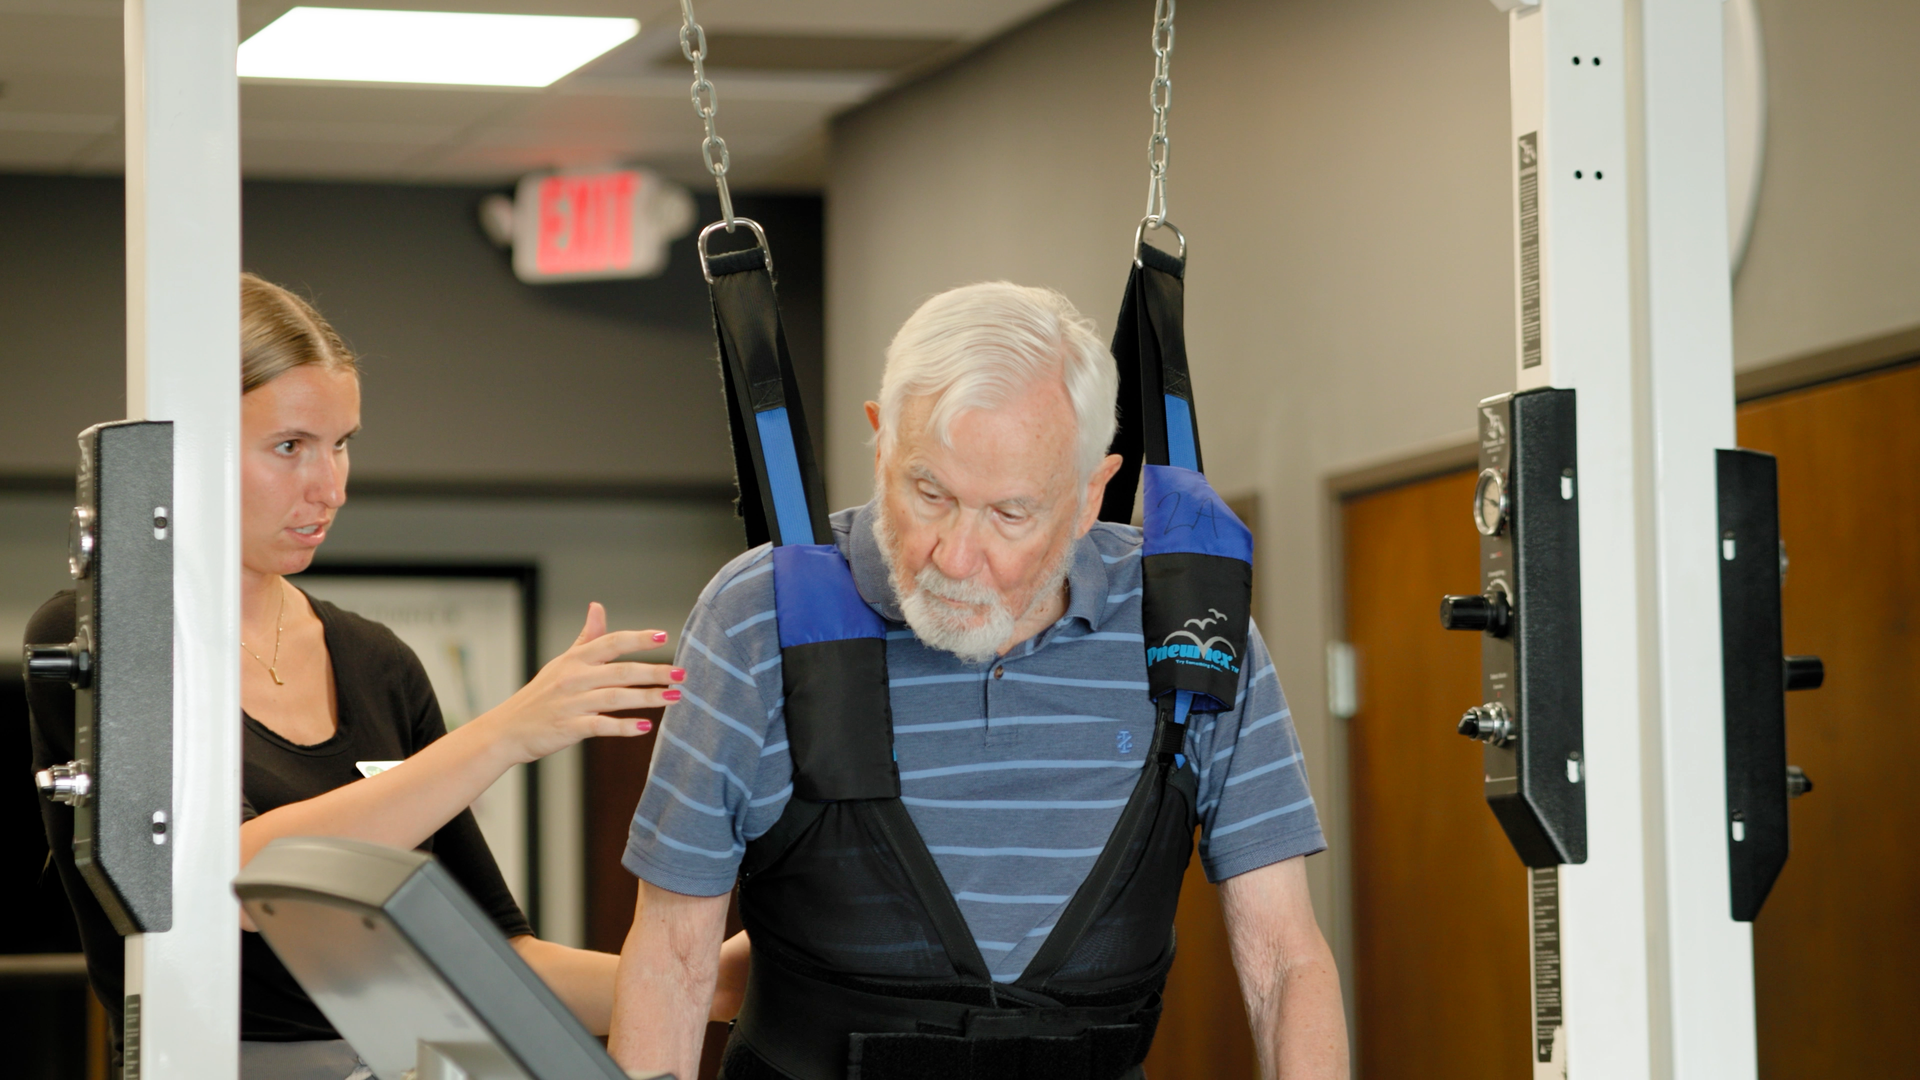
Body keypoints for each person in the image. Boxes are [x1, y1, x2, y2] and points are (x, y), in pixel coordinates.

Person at [606, 281, 1348, 1080]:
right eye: (929, 492)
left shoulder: (1184, 627)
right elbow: (675, 961)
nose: (956, 558)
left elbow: (1283, 963)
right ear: (880, 439)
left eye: (1009, 514)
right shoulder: (760, 617)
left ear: (1092, 494)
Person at [26, 273, 748, 1080]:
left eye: (342, 444)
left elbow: (496, 959)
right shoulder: (101, 634)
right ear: (186, 444)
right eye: (290, 446)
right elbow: (236, 877)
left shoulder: (377, 664)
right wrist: (502, 735)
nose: (329, 486)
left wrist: (700, 981)